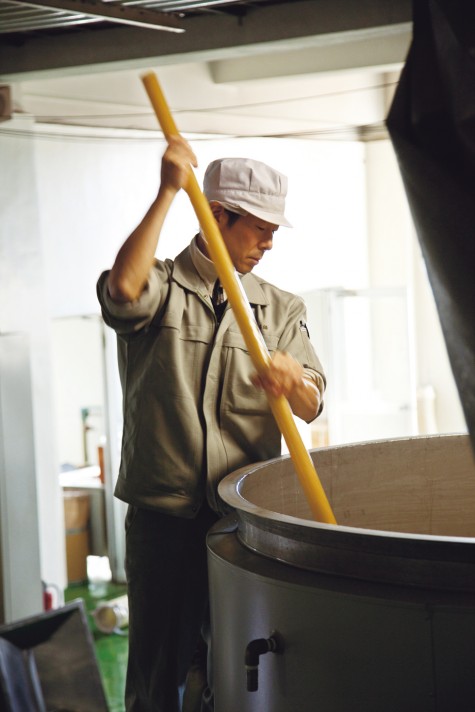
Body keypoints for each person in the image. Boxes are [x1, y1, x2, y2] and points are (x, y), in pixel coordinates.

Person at [97, 135, 326, 712]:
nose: (270, 243)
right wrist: (168, 190)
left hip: (242, 521)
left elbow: (312, 401)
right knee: (158, 676)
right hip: (164, 518)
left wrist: (290, 381)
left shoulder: (279, 308)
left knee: (240, 668)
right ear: (217, 215)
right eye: (259, 227)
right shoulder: (163, 288)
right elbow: (121, 291)